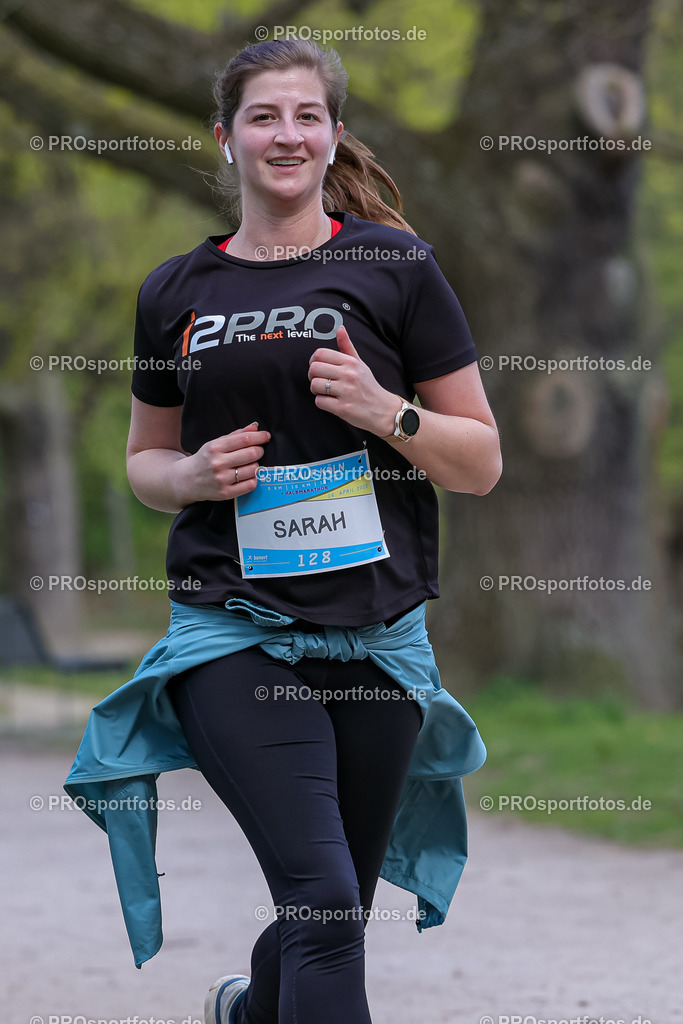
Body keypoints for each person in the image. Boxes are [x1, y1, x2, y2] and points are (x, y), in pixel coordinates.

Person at [65, 36, 501, 1024]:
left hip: (375, 641)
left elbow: (478, 461)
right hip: (234, 629)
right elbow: (145, 461)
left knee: (329, 910)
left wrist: (382, 410)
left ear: (334, 134)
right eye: (262, 116)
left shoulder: (395, 268)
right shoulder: (175, 291)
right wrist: (190, 475)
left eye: (307, 116)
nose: (286, 134)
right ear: (226, 138)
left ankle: (243, 1012)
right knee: (323, 902)